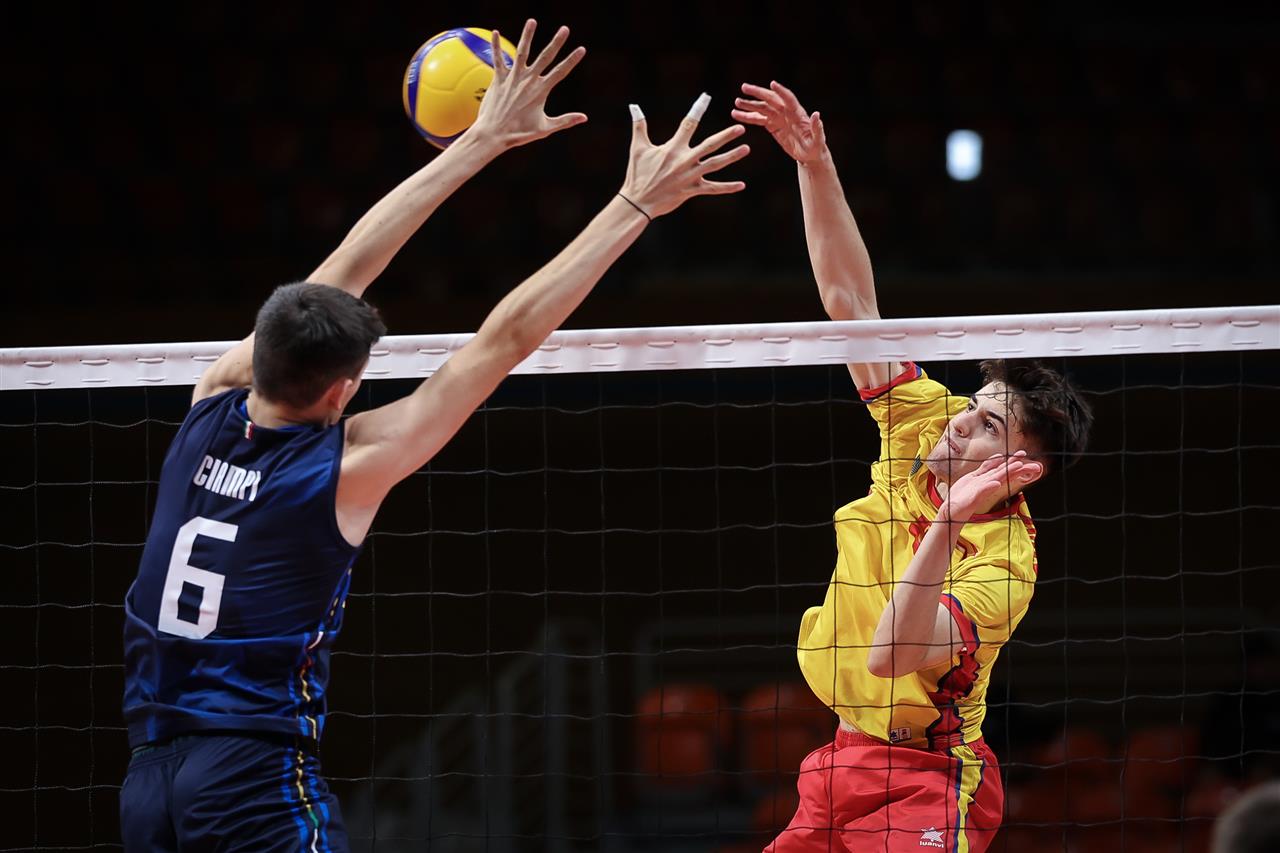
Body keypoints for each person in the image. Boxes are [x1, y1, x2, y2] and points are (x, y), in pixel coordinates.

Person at [118, 19, 750, 851]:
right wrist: (634, 205)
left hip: (147, 780)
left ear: (262, 348)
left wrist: (479, 142)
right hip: (249, 779)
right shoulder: (347, 465)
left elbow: (344, 265)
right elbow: (501, 342)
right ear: (344, 389)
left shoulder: (210, 402)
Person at [731, 82, 1093, 853]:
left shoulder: (1003, 565)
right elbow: (849, 301)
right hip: (839, 757)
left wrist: (950, 520)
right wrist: (814, 164)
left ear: (1022, 468)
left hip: (928, 774)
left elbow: (891, 654)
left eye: (986, 423)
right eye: (973, 403)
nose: (960, 420)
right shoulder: (923, 421)